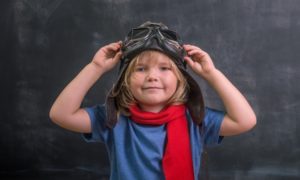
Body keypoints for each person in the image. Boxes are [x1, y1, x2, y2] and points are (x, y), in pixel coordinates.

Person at [49, 22, 256, 180]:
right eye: (141, 69)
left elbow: (245, 120)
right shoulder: (114, 118)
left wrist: (212, 74)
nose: (152, 76)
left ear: (180, 79)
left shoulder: (196, 119)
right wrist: (95, 68)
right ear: (125, 80)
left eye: (164, 68)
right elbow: (61, 114)